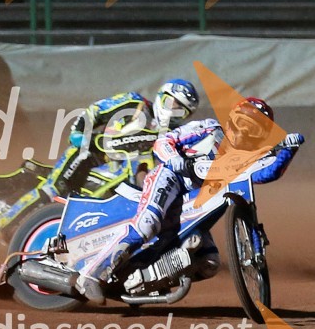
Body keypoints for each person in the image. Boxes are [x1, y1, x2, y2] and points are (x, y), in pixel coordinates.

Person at [76, 97, 305, 303]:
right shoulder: (208, 128)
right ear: (234, 119)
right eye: (244, 123)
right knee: (148, 223)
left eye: (255, 129)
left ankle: (142, 281)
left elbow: (267, 174)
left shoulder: (247, 158)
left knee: (209, 263)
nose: (246, 131)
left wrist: (289, 148)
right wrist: (175, 160)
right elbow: (164, 142)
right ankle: (90, 274)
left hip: (195, 200)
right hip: (171, 177)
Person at [41, 79, 200, 200]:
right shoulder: (135, 103)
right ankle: (39, 200)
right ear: (160, 96)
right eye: (170, 103)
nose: (172, 111)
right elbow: (96, 110)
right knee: (53, 190)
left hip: (126, 182)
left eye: (181, 111)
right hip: (95, 160)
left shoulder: (173, 136)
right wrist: (78, 131)